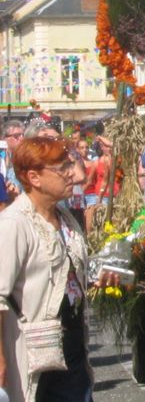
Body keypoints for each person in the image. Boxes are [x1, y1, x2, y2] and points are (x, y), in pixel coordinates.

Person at [0, 136, 95, 402]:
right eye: (62, 168)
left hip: (71, 345)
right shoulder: (13, 224)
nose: (71, 174)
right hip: (34, 351)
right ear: (34, 177)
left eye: (69, 164)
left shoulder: (64, 217)